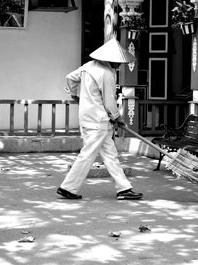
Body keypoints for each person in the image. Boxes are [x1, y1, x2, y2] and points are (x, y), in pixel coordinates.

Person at [57, 38, 143, 200]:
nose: (119, 65)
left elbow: (69, 78)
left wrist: (75, 95)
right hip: (99, 120)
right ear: (110, 59)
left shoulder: (87, 67)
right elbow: (109, 101)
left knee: (110, 155)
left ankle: (124, 189)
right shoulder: (107, 74)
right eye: (118, 62)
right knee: (88, 154)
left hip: (87, 117)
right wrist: (117, 118)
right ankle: (67, 187)